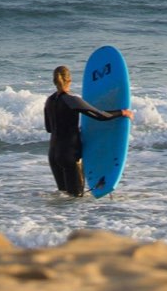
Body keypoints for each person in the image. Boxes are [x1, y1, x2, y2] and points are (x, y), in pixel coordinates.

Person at [43, 65, 133, 197]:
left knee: (63, 197)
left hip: (53, 154)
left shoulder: (49, 101)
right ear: (69, 81)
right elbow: (100, 115)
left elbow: (49, 128)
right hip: (69, 154)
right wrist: (123, 112)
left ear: (54, 81)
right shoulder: (72, 100)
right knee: (76, 199)